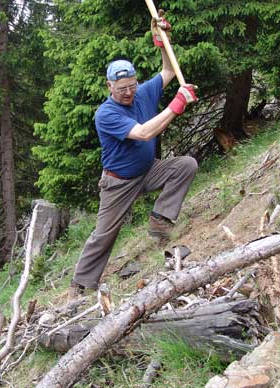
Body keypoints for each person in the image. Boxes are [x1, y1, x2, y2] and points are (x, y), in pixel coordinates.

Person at [69, 16, 198, 297]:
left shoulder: (141, 93)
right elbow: (142, 133)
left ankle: (160, 220)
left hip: (148, 170)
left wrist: (162, 41)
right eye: (121, 89)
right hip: (119, 183)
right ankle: (80, 286)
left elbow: (168, 71)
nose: (128, 93)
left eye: (131, 86)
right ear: (109, 87)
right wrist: (177, 105)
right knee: (103, 235)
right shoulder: (106, 114)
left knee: (185, 166)